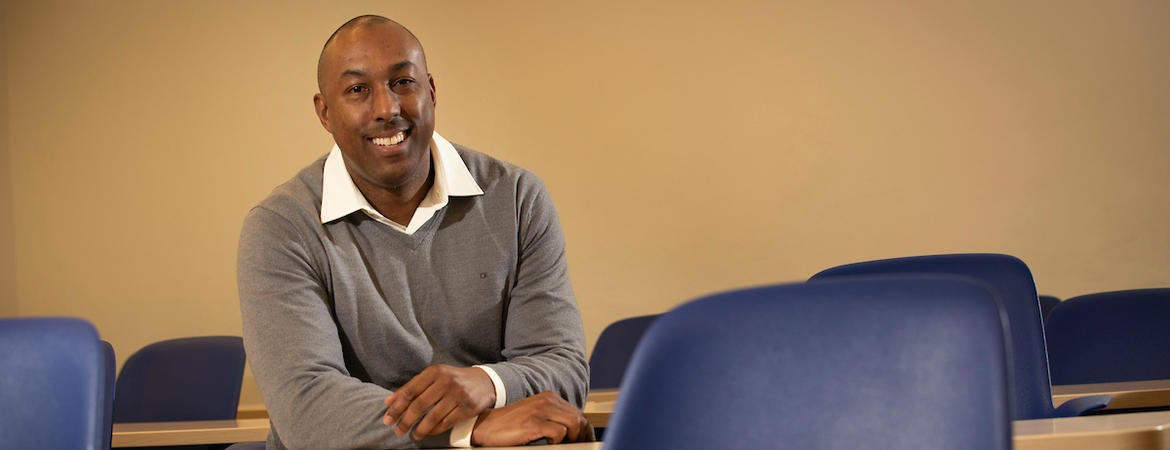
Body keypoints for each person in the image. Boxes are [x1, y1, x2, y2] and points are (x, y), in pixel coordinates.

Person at [237, 14, 592, 449]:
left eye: (403, 82)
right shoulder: (281, 228)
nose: (387, 109)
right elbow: (306, 409)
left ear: (432, 91)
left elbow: (564, 368)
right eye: (357, 90)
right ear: (325, 113)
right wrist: (467, 431)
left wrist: (488, 383)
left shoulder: (518, 198)